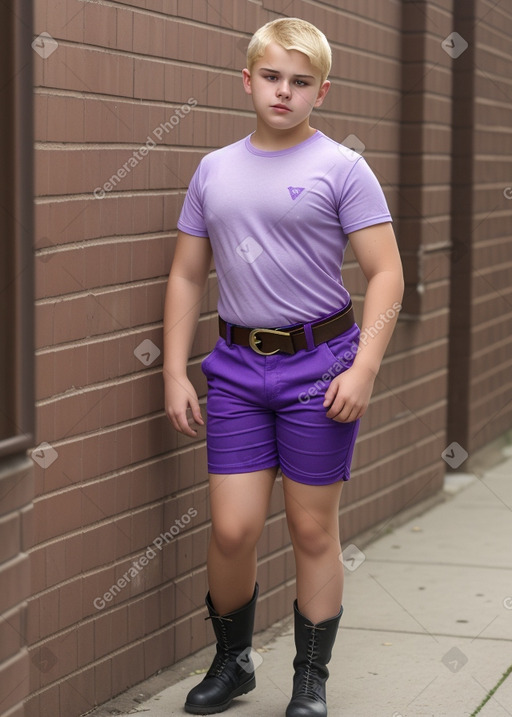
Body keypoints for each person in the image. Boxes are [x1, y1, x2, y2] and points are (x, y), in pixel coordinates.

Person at [163, 16, 404, 717]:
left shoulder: (342, 168)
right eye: (271, 76)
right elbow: (185, 274)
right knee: (234, 529)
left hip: (319, 369)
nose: (283, 91)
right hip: (236, 368)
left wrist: (362, 370)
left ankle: (309, 678)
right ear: (248, 79)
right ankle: (233, 662)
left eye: (300, 82)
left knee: (310, 528)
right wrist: (175, 370)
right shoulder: (214, 170)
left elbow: (385, 274)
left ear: (320, 92)